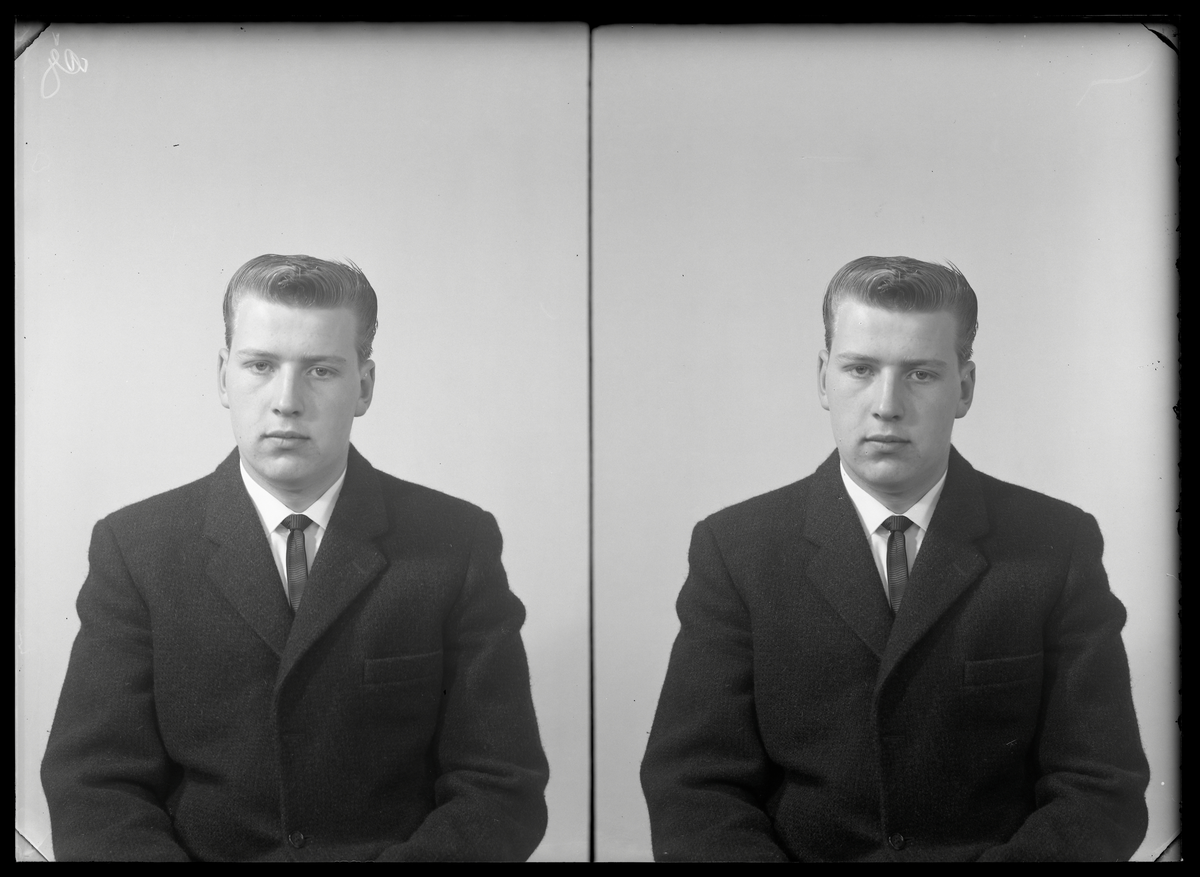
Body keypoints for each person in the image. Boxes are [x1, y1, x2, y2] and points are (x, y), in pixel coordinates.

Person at [640, 256, 1150, 862]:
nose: (887, 404)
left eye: (921, 374)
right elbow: (694, 789)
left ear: (964, 388)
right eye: (860, 369)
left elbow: (1100, 787)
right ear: (823, 379)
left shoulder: (1057, 543)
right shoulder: (736, 548)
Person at [41, 254, 549, 861]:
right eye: (260, 365)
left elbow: (500, 785)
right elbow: (94, 786)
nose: (287, 401)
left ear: (364, 387)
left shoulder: (456, 542)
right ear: (223, 377)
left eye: (321, 370)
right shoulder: (136, 547)